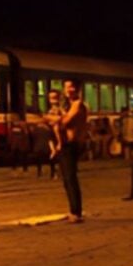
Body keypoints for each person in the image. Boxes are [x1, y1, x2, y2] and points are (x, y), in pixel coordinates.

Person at [51, 79, 88, 222]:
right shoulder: (69, 105)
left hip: (71, 145)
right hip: (66, 144)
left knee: (70, 178)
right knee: (67, 179)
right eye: (66, 87)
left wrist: (55, 117)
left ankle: (76, 212)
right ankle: (73, 210)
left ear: (77, 89)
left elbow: (65, 121)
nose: (68, 90)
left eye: (71, 87)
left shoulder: (78, 105)